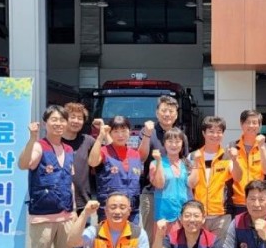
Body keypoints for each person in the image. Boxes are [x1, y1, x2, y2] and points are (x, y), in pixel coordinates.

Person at [18, 105, 75, 248]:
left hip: (66, 215)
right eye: (54, 120)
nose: (58, 124)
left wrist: (76, 212)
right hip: (43, 216)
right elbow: (23, 164)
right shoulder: (39, 147)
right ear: (46, 123)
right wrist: (31, 139)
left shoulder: (69, 149)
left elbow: (69, 181)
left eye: (62, 120)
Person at [138, 95, 190, 236]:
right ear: (157, 113)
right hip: (152, 193)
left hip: (175, 194)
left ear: (176, 114)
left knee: (177, 236)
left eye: (171, 111)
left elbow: (184, 163)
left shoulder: (180, 135)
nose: (167, 114)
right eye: (164, 110)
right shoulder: (148, 131)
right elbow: (141, 157)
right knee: (152, 236)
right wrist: (147, 135)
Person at [61, 102, 97, 248]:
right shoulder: (55, 140)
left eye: (80, 118)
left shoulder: (87, 141)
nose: (75, 121)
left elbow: (105, 150)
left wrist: (101, 132)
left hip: (82, 203)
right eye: (72, 117)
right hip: (58, 206)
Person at [89, 116, 143, 224]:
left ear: (129, 132)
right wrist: (101, 137)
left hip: (131, 211)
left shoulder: (135, 154)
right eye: (116, 131)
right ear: (110, 133)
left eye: (123, 131)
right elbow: (92, 162)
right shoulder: (104, 151)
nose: (120, 135)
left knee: (132, 240)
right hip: (109, 210)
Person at [189, 116, 233, 237]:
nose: (215, 135)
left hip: (221, 215)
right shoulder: (193, 156)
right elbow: (190, 184)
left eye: (219, 132)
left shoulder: (228, 157)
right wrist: (197, 163)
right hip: (197, 215)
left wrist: (235, 159)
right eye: (211, 131)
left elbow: (238, 178)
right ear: (204, 133)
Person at [228, 110, 266, 216]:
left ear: (260, 125)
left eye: (255, 122)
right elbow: (234, 176)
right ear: (241, 124)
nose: (251, 125)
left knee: (260, 231)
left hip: (260, 201)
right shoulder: (232, 146)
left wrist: (261, 146)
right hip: (238, 202)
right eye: (248, 122)